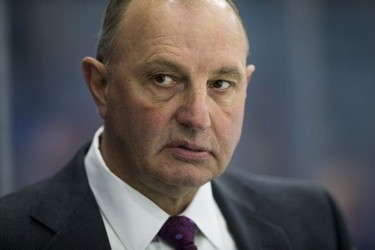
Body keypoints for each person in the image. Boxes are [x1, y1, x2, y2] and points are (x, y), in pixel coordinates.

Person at [0, 0, 352, 249]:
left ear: (246, 87)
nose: (197, 118)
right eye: (164, 79)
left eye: (221, 85)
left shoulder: (313, 221)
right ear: (101, 86)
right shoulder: (10, 234)